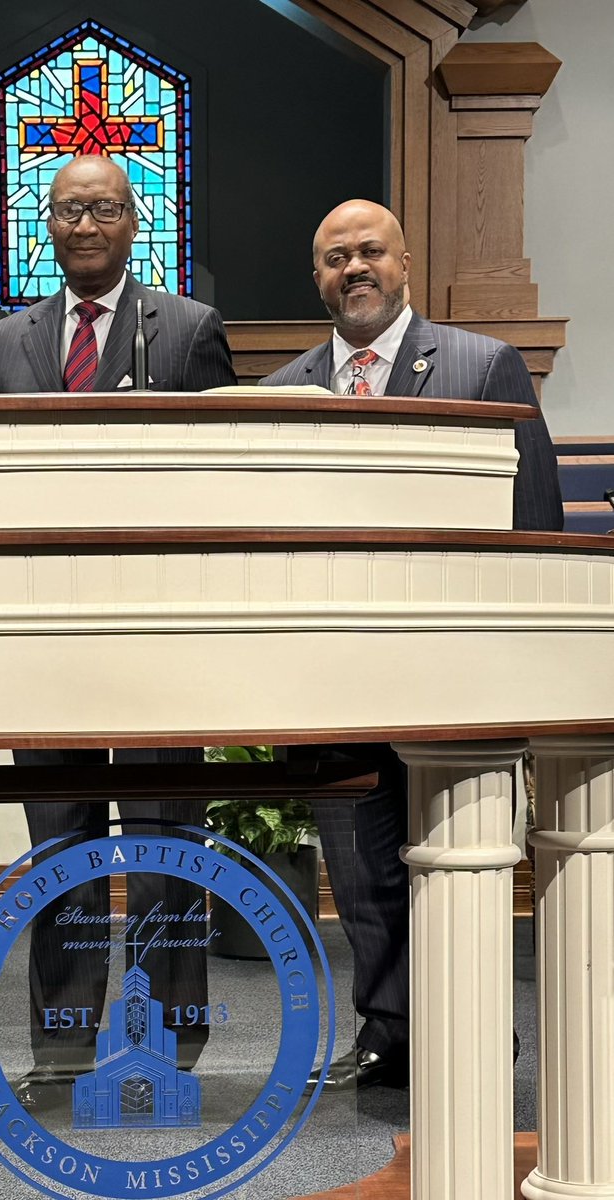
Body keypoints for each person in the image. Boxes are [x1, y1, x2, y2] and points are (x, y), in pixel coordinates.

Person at [261, 198, 563, 1091]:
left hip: (453, 673)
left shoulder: (480, 365)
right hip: (332, 679)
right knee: (357, 870)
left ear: (403, 263)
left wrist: (522, 669)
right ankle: (389, 1029)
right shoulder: (283, 394)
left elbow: (533, 520)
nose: (352, 269)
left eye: (369, 252)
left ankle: (467, 1028)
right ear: (314, 276)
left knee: (457, 860)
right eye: (332, 258)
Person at [0, 155, 237, 1110]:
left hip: (162, 629)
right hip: (44, 633)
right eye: (68, 207)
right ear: (44, 223)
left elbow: (220, 477)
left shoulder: (189, 329)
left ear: (136, 221)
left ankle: (171, 1044)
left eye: (105, 207)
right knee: (61, 847)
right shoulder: (6, 343)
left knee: (169, 841)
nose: (86, 222)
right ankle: (61, 1047)